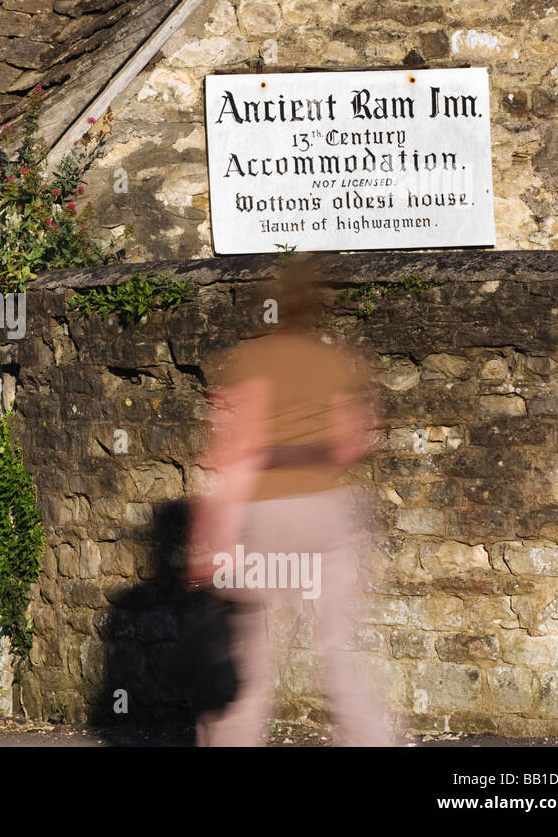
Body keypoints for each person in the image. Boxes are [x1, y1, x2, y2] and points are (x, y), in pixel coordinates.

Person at [187, 255, 394, 747]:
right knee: (341, 653)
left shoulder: (253, 361)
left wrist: (209, 536)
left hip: (267, 514)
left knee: (252, 657)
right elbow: (354, 441)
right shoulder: (336, 361)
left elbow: (237, 452)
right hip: (329, 508)